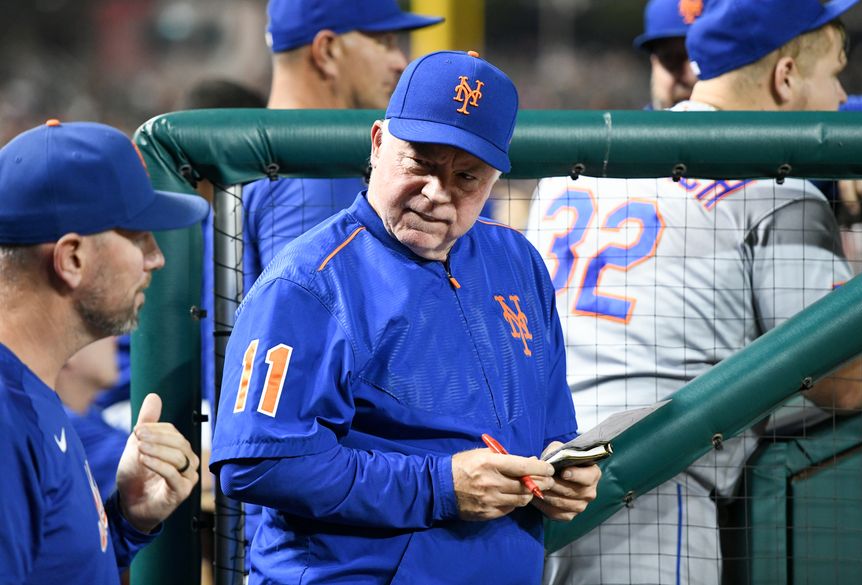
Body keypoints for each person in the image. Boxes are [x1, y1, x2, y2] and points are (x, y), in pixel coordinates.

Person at [210, 50, 602, 584]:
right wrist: (440, 487)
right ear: (377, 144)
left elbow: (554, 426)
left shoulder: (518, 262)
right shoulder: (307, 282)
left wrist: (563, 470)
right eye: (420, 163)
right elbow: (258, 463)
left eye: (466, 176)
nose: (438, 193)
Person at [527, 0, 862, 583]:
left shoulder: (576, 167)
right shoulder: (779, 193)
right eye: (835, 74)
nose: (843, 98)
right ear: (785, 77)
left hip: (530, 487)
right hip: (648, 497)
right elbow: (849, 382)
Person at [0, 119, 209, 584]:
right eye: (138, 236)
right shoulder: (5, 417)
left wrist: (128, 520)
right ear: (72, 258)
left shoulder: (30, 391)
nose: (156, 257)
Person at [243, 0, 443, 289]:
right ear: (327, 50)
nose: (400, 62)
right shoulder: (315, 168)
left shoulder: (260, 154)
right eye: (384, 42)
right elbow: (313, 317)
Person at [55, 336, 129, 502]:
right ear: (69, 352)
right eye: (101, 335)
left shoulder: (90, 414)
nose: (114, 340)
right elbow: (153, 465)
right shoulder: (65, 424)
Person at [633, 0, 701, 111]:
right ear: (654, 63)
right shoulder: (632, 127)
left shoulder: (737, 126)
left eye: (699, 58)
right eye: (670, 59)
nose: (689, 76)